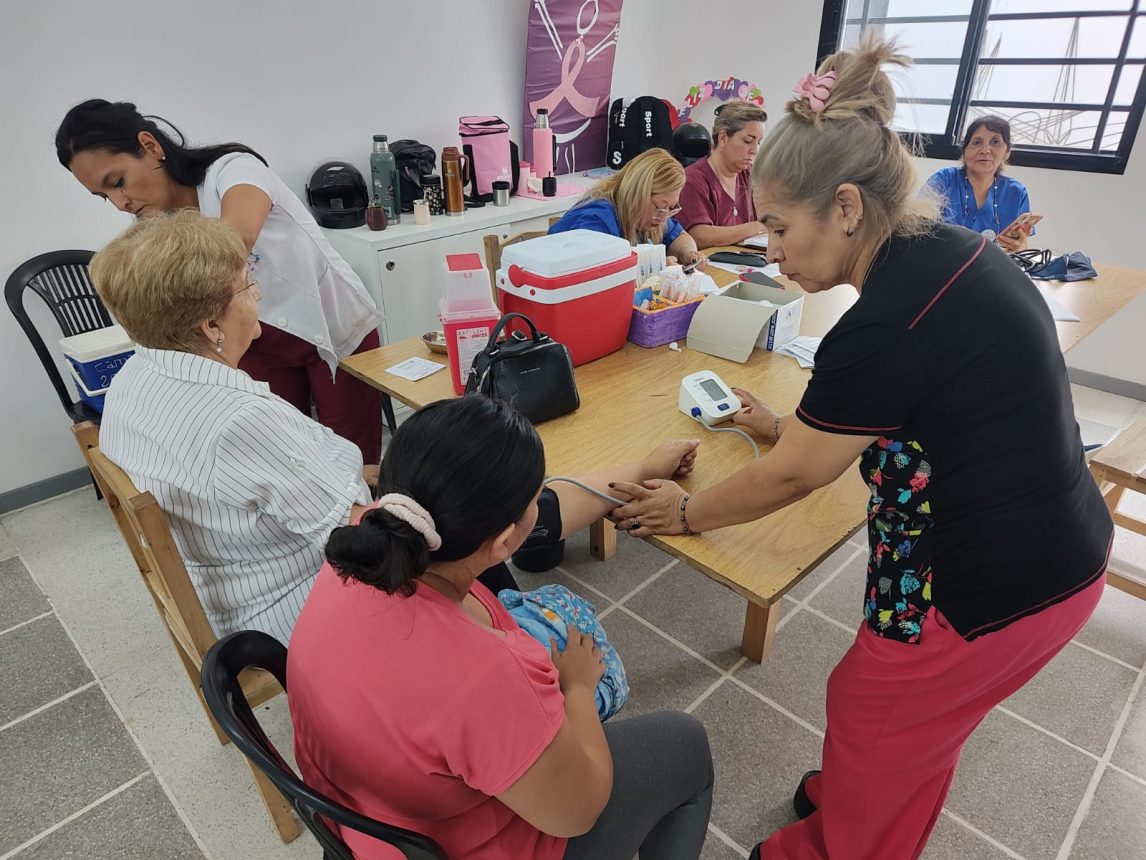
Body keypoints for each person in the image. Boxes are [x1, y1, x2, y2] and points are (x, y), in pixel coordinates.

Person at [608, 37, 1112, 860]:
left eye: (777, 226)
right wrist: (779, 424)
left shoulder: (881, 322)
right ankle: (855, 791)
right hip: (1056, 538)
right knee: (905, 724)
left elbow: (802, 473)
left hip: (998, 577)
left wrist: (688, 511)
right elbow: (913, 410)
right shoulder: (946, 253)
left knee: (880, 712)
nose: (769, 250)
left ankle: (841, 837)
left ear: (845, 206)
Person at [89, 211, 704, 648]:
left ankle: (586, 502)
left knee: (468, 481)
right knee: (483, 504)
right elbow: (363, 531)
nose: (257, 296)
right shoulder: (237, 419)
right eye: (246, 285)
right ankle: (506, 633)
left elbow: (316, 487)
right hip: (289, 602)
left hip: (236, 565)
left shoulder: (134, 383)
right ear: (209, 326)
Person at [288, 395, 714, 860]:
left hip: (370, 817)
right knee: (687, 745)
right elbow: (577, 812)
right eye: (537, 499)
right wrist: (575, 689)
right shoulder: (485, 674)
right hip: (462, 840)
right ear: (504, 541)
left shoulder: (357, 551)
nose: (543, 503)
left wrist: (644, 467)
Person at [56, 99, 385, 470]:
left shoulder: (232, 171)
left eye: (117, 182)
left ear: (150, 146)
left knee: (353, 461)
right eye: (104, 197)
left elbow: (234, 242)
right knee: (290, 458)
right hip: (253, 343)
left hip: (332, 328)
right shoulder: (152, 228)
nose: (119, 203)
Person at [548, 148, 709, 271]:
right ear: (638, 193)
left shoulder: (645, 216)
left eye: (671, 208)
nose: (663, 217)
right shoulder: (597, 219)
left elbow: (678, 235)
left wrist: (687, 252)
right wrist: (653, 267)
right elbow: (598, 271)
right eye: (660, 207)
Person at [925, 115, 1035, 252]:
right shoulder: (943, 180)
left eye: (995, 142)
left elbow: (1021, 244)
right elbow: (918, 224)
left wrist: (1021, 247)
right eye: (976, 142)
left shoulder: (1016, 192)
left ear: (1007, 152)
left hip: (992, 268)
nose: (985, 150)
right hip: (945, 265)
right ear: (965, 151)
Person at [677, 102, 770, 248]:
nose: (754, 150)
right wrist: (755, 227)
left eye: (758, 142)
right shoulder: (693, 180)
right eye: (748, 141)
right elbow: (700, 236)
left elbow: (771, 216)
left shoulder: (752, 175)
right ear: (723, 138)